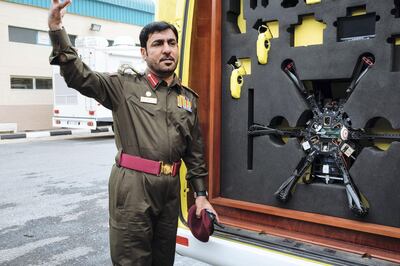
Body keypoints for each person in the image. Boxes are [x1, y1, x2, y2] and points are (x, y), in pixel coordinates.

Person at [48, 0, 219, 265]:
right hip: (133, 188)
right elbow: (78, 75)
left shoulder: (188, 99)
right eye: (158, 44)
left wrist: (201, 197)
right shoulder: (123, 86)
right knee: (131, 260)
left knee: (163, 259)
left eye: (171, 43)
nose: (167, 50)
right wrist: (57, 28)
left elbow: (194, 154)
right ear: (143, 52)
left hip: (169, 190)